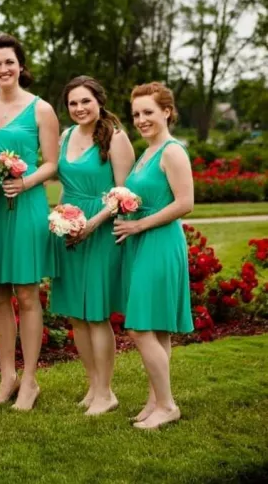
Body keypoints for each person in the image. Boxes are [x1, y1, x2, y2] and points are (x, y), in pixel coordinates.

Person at [0, 34, 59, 410]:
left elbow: (52, 163)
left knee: (27, 294)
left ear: (20, 66)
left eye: (9, 62)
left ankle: (30, 379)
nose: (3, 69)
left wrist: (25, 181)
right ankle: (7, 376)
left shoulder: (41, 110)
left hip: (27, 205)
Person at [49, 76, 135, 415]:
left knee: (96, 314)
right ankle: (92, 384)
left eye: (85, 101)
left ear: (99, 101)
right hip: (70, 230)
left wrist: (92, 225)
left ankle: (106, 392)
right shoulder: (66, 136)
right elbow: (65, 185)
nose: (79, 108)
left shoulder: (116, 138)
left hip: (100, 231)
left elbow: (124, 194)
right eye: (73, 103)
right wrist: (61, 217)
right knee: (76, 315)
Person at [113, 81, 194, 429]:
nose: (141, 119)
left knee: (140, 327)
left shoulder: (172, 152)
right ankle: (154, 401)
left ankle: (167, 404)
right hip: (142, 242)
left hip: (160, 243)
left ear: (167, 112)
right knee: (157, 329)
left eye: (148, 112)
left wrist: (139, 225)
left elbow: (185, 203)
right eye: (136, 114)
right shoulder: (146, 152)